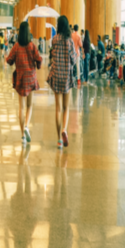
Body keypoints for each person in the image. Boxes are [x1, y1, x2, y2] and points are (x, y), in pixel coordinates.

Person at [6, 21, 42, 144]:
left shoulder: (16, 46)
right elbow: (39, 59)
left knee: (21, 107)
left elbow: (9, 60)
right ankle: (26, 126)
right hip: (30, 78)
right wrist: (38, 66)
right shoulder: (32, 46)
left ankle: (22, 136)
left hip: (20, 78)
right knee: (29, 105)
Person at [48, 15, 76, 149]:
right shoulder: (69, 41)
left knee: (58, 108)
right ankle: (64, 129)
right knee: (66, 108)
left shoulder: (54, 39)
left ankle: (59, 139)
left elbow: (52, 56)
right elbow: (73, 60)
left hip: (56, 74)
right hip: (66, 77)